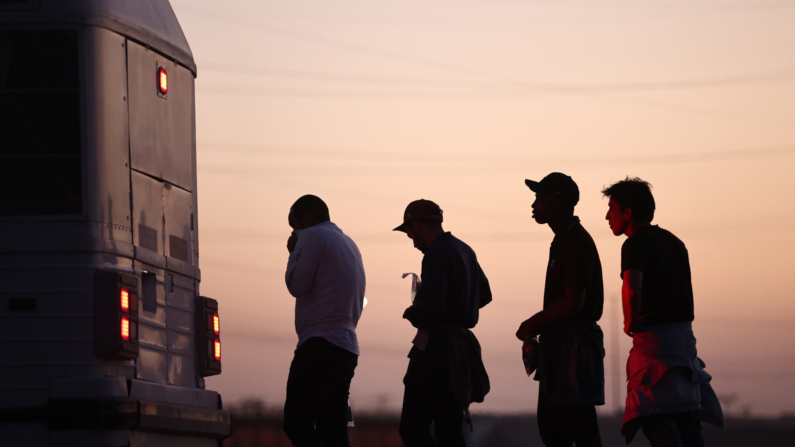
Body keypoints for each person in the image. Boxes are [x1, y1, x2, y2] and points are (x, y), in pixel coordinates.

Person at [602, 177, 724, 446]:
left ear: (627, 212)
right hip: (685, 349)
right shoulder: (675, 243)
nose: (607, 216)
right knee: (689, 428)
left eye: (611, 208)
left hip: (655, 352)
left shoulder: (633, 245)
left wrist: (628, 322)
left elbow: (632, 288)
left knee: (659, 423)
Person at [516, 173, 605, 447]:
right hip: (560, 347)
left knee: (575, 426)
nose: (533, 205)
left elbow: (572, 303)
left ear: (559, 205)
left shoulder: (575, 242)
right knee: (554, 427)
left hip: (573, 349)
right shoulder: (563, 240)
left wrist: (533, 323)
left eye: (539, 199)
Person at [394, 199, 492, 447]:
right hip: (458, 354)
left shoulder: (435, 255)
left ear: (416, 225)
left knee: (412, 428)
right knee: (449, 431)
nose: (412, 240)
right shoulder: (464, 249)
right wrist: (460, 307)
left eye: (409, 233)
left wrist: (412, 312)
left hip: (436, 353)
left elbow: (432, 311)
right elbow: (485, 294)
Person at [282, 195, 366, 447]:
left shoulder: (312, 237)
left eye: (293, 224)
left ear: (306, 218)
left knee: (297, 424)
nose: (293, 232)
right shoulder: (349, 243)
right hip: (346, 346)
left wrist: (293, 252)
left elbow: (296, 285)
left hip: (319, 345)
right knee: (333, 430)